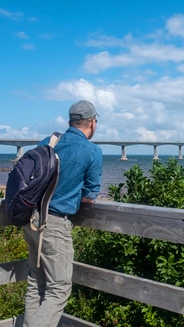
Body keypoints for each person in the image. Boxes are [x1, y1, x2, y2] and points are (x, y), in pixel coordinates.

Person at [22, 100, 103, 327]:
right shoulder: (92, 151)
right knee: (59, 288)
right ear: (92, 123)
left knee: (35, 283)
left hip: (30, 219)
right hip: (54, 225)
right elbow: (90, 196)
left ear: (71, 121)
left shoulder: (49, 141)